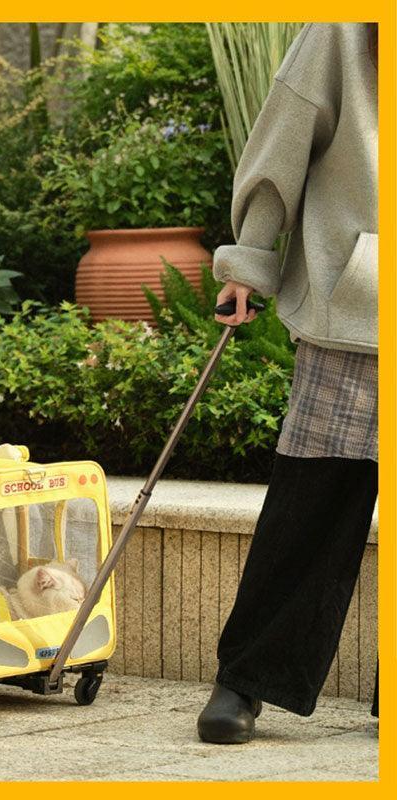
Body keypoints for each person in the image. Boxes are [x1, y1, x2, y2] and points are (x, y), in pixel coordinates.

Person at [197, 22, 378, 744]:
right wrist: (247, 260)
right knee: (314, 500)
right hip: (363, 303)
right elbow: (284, 134)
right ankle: (247, 680)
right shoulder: (343, 29)